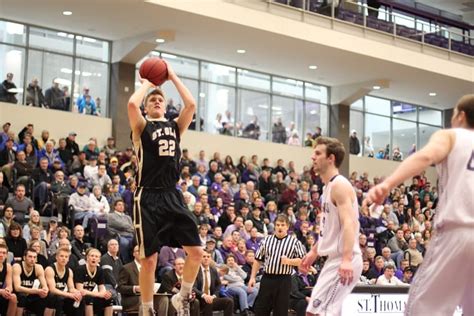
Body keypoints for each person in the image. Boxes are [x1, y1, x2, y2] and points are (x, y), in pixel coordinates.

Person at [364, 94, 474, 316]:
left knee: (421, 308)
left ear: (461, 116)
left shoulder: (452, 136)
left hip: (457, 232)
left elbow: (424, 157)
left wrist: (386, 185)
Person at [128, 62, 202, 315]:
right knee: (149, 259)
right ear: (147, 107)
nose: (157, 101)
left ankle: (182, 297)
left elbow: (191, 105)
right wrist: (149, 83)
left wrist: (171, 76)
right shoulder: (141, 127)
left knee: (197, 252)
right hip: (147, 195)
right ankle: (146, 309)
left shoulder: (174, 127)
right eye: (153, 100)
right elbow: (130, 105)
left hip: (172, 194)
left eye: (161, 99)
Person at [300, 136, 363, 316]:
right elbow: (330, 231)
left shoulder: (339, 185)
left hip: (343, 258)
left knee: (318, 313)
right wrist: (314, 251)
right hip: (333, 259)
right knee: (316, 312)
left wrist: (346, 259)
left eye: (318, 153)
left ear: (331, 158)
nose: (313, 157)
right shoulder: (327, 187)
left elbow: (349, 224)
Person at [248, 214, 306, 316]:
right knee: (261, 308)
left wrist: (289, 261)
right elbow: (257, 260)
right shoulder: (266, 240)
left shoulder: (294, 242)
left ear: (287, 226)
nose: (280, 227)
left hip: (284, 280)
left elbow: (302, 261)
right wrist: (252, 277)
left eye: (282, 225)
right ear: (274, 226)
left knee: (280, 310)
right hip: (267, 278)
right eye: (278, 225)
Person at [74, 248, 113, 316]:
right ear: (87, 258)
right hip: (79, 298)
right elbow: (80, 290)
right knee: (88, 298)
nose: (94, 258)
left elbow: (102, 288)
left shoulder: (100, 270)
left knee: (108, 299)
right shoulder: (80, 269)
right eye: (92, 256)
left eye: (96, 256)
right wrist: (99, 294)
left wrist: (105, 294)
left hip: (92, 295)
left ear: (99, 260)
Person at [193, 250, 234, 316]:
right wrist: (204, 296)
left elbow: (218, 285)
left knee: (229, 301)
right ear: (200, 258)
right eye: (204, 256)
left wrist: (214, 296)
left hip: (211, 298)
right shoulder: (196, 270)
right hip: (200, 298)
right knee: (209, 302)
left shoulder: (213, 270)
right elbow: (193, 287)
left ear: (210, 259)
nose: (206, 258)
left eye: (208, 257)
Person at [44, 246, 82, 316]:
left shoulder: (69, 271)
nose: (64, 258)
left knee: (79, 297)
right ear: (56, 257)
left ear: (68, 259)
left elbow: (71, 288)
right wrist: (69, 294)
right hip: (48, 296)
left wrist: (77, 293)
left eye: (66, 257)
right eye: (61, 256)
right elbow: (52, 290)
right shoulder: (50, 269)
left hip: (62, 295)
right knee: (55, 297)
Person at [12, 248, 49, 315]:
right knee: (22, 296)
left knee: (47, 297)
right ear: (24, 257)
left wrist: (45, 291)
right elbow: (17, 288)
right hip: (19, 295)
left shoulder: (39, 267)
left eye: (34, 257)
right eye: (30, 256)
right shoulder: (17, 266)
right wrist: (37, 291)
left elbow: (45, 286)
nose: (32, 259)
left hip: (32, 295)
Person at [0, 243, 17, 316]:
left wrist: (7, 291)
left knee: (13, 297)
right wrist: (1, 291)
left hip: (2, 292)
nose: (1, 255)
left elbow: (10, 286)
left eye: (4, 253)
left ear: (7, 255)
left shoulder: (8, 266)